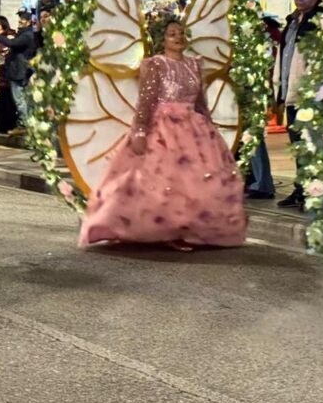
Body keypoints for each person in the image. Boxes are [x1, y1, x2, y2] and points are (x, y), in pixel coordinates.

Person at [78, 15, 247, 250]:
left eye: (181, 33)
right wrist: (139, 131)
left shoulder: (194, 64)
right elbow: (145, 102)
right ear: (162, 39)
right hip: (164, 129)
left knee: (200, 181)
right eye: (172, 34)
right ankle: (168, 230)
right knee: (166, 181)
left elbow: (200, 102)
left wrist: (209, 127)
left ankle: (191, 228)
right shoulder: (155, 64)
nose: (178, 37)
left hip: (194, 129)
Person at [276, 0, 323, 208]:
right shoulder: (292, 21)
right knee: (298, 147)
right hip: (292, 93)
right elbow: (285, 57)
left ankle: (313, 193)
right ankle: (300, 190)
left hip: (310, 95)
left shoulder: (321, 20)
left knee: (311, 146)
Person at [246, 15, 284, 200]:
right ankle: (257, 180)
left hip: (257, 94)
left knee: (254, 137)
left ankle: (262, 183)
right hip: (260, 93)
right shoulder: (272, 39)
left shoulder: (265, 43)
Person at [0, 10, 38, 131]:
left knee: (20, 101)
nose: (19, 23)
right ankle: (25, 124)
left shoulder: (27, 35)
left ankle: (26, 125)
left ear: (28, 22)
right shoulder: (24, 33)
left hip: (20, 71)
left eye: (21, 21)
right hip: (17, 70)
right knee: (20, 100)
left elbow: (13, 44)